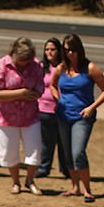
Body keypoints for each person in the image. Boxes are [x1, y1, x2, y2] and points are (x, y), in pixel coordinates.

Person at [50, 34, 104, 203]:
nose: (70, 53)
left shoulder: (90, 68)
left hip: (82, 116)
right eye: (66, 50)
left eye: (73, 50)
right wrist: (57, 98)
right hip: (63, 115)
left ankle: (87, 189)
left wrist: (92, 107)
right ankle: (75, 187)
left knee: (78, 151)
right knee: (67, 153)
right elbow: (52, 84)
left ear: (79, 50)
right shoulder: (61, 68)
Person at [0, 37, 45, 195]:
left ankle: (30, 180)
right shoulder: (2, 65)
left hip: (30, 115)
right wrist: (20, 93)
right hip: (5, 117)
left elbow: (40, 87)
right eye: (20, 61)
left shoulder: (35, 66)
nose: (23, 64)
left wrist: (33, 94)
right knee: (9, 151)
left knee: (34, 150)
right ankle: (15, 182)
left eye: (26, 61)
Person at [37, 38, 68, 179]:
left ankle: (66, 168)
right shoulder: (41, 67)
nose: (49, 52)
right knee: (46, 142)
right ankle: (44, 167)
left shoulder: (64, 67)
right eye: (47, 49)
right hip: (44, 109)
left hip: (62, 109)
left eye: (52, 49)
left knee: (63, 141)